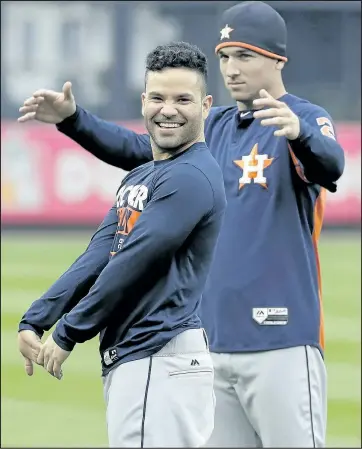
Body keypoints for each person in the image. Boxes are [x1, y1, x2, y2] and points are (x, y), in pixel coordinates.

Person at [18, 2, 345, 447]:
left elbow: (332, 165)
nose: (231, 67)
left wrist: (300, 134)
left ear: (277, 59)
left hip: (282, 340)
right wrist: (75, 121)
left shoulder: (302, 118)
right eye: (225, 55)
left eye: (245, 55)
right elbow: (139, 146)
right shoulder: (216, 125)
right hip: (210, 344)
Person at [17, 41, 227, 448]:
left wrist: (68, 333)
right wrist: (38, 317)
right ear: (144, 100)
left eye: (183, 99)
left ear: (205, 106)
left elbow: (136, 259)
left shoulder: (191, 177)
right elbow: (101, 253)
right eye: (158, 97)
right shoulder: (145, 174)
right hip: (143, 360)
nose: (169, 109)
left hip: (159, 355)